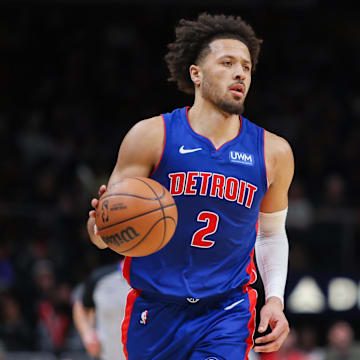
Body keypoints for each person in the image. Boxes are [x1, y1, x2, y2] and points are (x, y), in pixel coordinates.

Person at [88, 13, 293, 360]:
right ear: (195, 74)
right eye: (227, 62)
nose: (240, 72)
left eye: (246, 66)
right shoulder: (151, 136)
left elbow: (271, 234)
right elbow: (104, 235)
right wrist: (101, 225)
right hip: (155, 309)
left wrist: (274, 297)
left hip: (227, 311)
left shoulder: (273, 151)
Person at [72, 259, 130, 360]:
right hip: (107, 355)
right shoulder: (100, 278)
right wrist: (87, 334)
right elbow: (80, 307)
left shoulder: (156, 279)